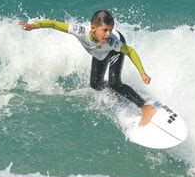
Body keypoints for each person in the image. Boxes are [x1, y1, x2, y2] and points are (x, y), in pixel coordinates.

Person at [18, 9, 156, 126]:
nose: (108, 34)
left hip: (113, 51)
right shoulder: (81, 31)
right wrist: (34, 26)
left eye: (110, 30)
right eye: (105, 30)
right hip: (99, 52)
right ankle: (117, 92)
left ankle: (145, 107)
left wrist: (142, 73)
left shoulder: (113, 41)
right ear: (93, 28)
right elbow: (54, 24)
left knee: (115, 82)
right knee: (95, 84)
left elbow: (130, 51)